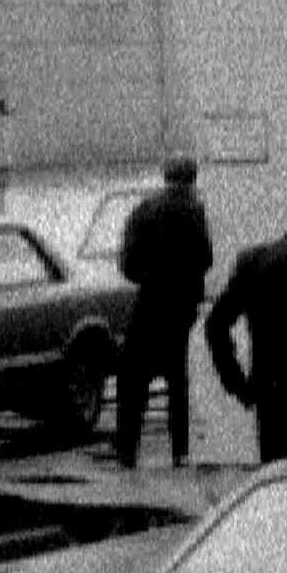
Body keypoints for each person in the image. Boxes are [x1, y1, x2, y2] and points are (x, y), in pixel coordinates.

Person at [109, 158, 215, 469]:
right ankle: (180, 450)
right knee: (178, 379)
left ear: (165, 177)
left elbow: (127, 264)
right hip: (182, 306)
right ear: (192, 179)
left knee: (133, 378)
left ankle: (127, 449)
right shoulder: (196, 212)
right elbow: (207, 258)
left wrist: (147, 274)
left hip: (150, 302)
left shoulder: (145, 209)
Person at [206, 187, 287, 463]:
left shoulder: (255, 261)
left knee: (277, 474)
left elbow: (215, 324)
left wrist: (237, 383)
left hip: (270, 390)